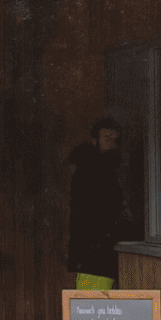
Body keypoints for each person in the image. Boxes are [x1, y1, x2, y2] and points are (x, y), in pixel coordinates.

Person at [67, 116, 126, 290]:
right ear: (95, 141)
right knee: (91, 307)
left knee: (95, 305)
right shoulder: (91, 170)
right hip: (93, 254)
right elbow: (92, 215)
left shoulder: (109, 169)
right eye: (106, 138)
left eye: (115, 140)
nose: (111, 144)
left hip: (101, 252)